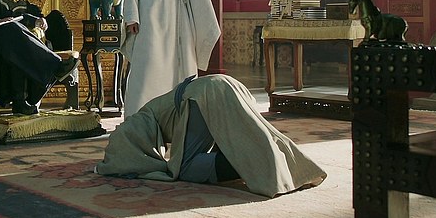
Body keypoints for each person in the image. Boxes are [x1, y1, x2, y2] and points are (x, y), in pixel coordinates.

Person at [95, 74, 327, 198]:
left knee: (185, 168)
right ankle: (279, 162)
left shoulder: (136, 123)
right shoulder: (149, 114)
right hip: (225, 84)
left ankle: (252, 163)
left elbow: (134, 155)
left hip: (202, 96)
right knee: (256, 134)